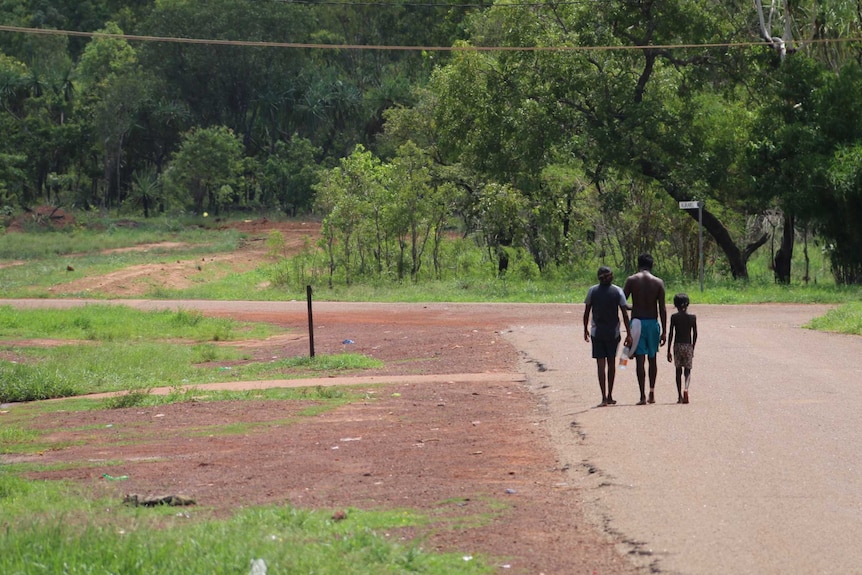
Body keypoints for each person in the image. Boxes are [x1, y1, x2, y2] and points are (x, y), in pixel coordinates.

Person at [584, 266, 632, 407]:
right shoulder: (617, 291)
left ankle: (604, 397)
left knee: (601, 364)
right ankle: (609, 395)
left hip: (597, 333)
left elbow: (587, 311)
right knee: (611, 363)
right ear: (611, 277)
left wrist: (585, 329)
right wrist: (628, 333)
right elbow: (624, 313)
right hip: (613, 333)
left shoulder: (592, 291)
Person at [623, 253, 667, 405]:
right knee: (652, 358)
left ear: (638, 264)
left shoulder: (631, 280)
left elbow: (623, 302)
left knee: (639, 360)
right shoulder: (658, 282)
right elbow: (662, 308)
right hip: (653, 324)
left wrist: (634, 307)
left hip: (637, 323)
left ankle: (642, 396)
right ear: (652, 265)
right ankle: (652, 392)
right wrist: (665, 332)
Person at [667, 293, 698, 404]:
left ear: (676, 304)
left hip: (677, 345)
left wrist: (668, 351)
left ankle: (679, 396)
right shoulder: (692, 317)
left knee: (678, 371)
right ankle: (686, 388)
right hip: (688, 345)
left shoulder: (674, 317)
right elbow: (695, 334)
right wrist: (692, 347)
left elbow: (671, 333)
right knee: (688, 370)